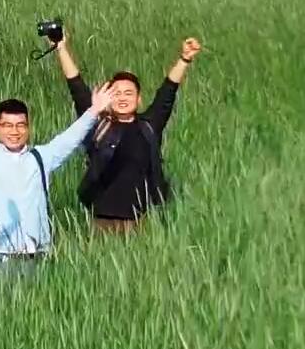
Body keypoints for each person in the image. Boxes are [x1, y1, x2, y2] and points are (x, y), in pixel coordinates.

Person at [0, 65, 109, 270]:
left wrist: (94, 111)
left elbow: (69, 138)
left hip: (36, 256)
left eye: (21, 125)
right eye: (8, 125)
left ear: (28, 127)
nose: (15, 131)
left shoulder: (40, 157)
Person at [55, 29, 200, 232]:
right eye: (116, 93)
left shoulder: (149, 126)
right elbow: (76, 86)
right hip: (101, 222)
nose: (122, 98)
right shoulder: (98, 124)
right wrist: (61, 48)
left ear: (138, 99)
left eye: (128, 93)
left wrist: (184, 59)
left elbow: (167, 92)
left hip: (139, 222)